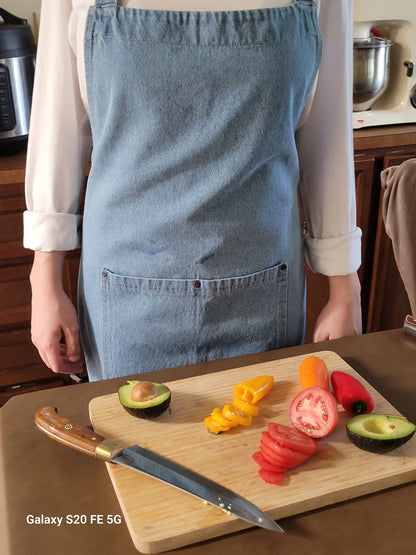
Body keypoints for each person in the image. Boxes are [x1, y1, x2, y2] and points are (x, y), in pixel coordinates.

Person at [24, 0, 362, 381]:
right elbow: (58, 123)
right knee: (126, 436)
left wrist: (344, 285)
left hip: (264, 288)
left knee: (261, 434)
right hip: (124, 289)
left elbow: (328, 134)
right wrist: (44, 278)